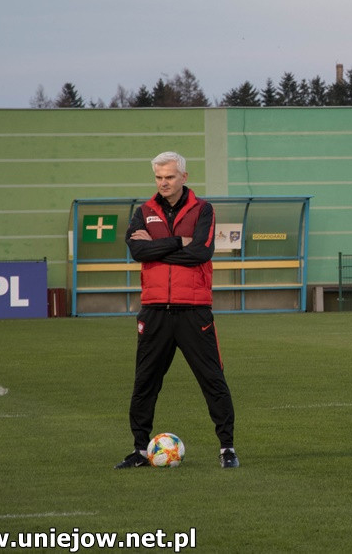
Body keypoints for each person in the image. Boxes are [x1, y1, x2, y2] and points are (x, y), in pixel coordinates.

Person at [114, 151, 239, 469]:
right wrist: (177, 242)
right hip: (154, 310)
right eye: (158, 177)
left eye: (169, 176)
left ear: (184, 176)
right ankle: (140, 451)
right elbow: (136, 250)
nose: (163, 182)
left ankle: (227, 449)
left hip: (194, 311)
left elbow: (201, 252)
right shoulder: (144, 211)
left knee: (212, 380)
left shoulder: (203, 209)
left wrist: (157, 248)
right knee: (145, 382)